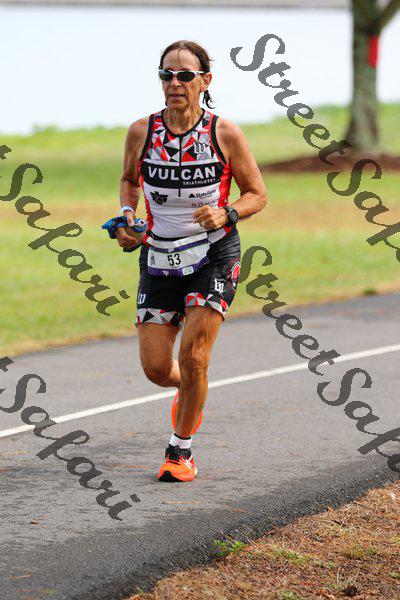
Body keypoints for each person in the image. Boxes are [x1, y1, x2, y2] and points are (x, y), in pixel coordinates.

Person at [116, 40, 267, 482]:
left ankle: (179, 452)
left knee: (195, 355)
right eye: (167, 75)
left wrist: (227, 213)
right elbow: (130, 181)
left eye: (185, 75)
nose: (175, 83)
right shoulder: (141, 131)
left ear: (205, 80)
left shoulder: (224, 133)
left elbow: (257, 194)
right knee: (156, 368)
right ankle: (192, 391)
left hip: (213, 255)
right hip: (159, 255)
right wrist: (128, 219)